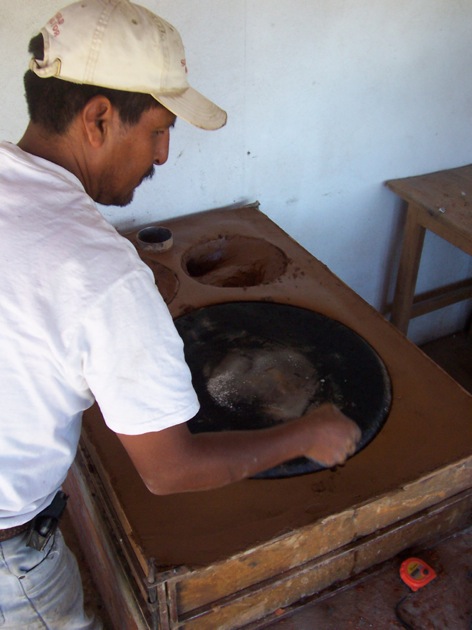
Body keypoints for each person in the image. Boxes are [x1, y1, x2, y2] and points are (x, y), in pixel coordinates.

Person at [0, 0, 361, 627]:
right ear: (98, 118)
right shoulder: (102, 272)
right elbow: (170, 470)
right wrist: (308, 433)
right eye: (158, 130)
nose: (164, 155)